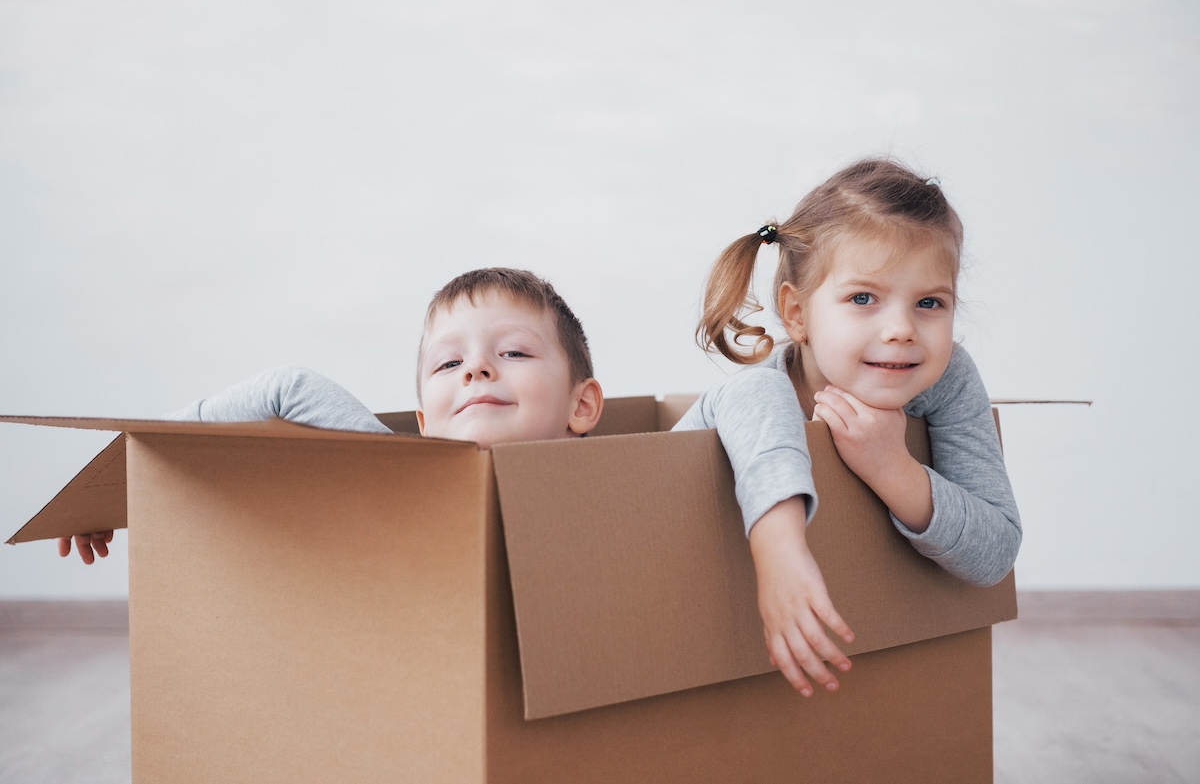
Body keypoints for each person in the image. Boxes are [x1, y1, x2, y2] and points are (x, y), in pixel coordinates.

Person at [674, 158, 1022, 698]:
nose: (902, 329)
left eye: (930, 303)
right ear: (796, 314)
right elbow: (747, 398)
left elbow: (995, 554)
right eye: (864, 299)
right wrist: (781, 555)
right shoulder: (760, 390)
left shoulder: (948, 377)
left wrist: (892, 467)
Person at [60, 267, 604, 563]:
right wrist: (124, 475)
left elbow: (697, 417)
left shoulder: (619, 489)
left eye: (512, 352)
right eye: (449, 362)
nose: (476, 369)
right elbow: (288, 387)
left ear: (581, 405)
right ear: (422, 422)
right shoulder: (392, 472)